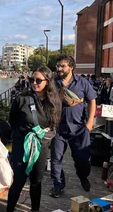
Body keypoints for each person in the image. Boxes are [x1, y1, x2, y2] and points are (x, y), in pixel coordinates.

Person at [7, 66, 62, 212]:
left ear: (47, 82)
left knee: (36, 181)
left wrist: (41, 136)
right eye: (32, 79)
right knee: (18, 181)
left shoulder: (54, 102)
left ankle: (35, 209)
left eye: (38, 80)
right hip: (22, 145)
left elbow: (54, 124)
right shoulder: (22, 99)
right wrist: (23, 134)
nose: (34, 83)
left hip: (41, 146)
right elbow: (12, 121)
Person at [50, 55, 97, 198]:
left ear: (71, 67)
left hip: (79, 128)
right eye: (58, 66)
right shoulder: (53, 83)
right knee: (56, 159)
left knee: (82, 160)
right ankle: (58, 185)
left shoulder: (82, 83)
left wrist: (89, 123)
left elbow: (92, 101)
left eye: (62, 66)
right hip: (58, 128)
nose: (59, 69)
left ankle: (83, 177)